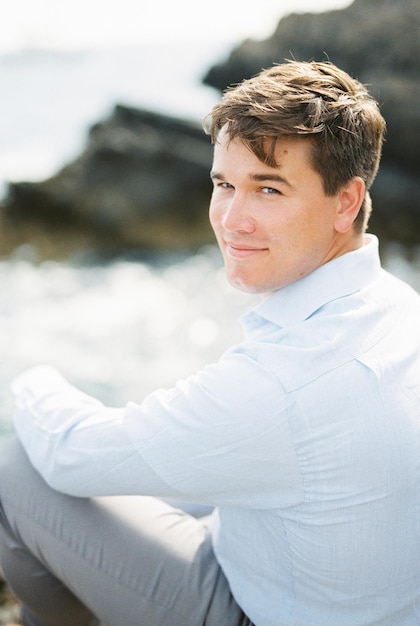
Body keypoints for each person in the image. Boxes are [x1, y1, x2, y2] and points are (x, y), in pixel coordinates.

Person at [0, 59, 419, 626]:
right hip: (332, 587)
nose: (231, 219)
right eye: (224, 184)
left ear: (346, 202)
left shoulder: (286, 381)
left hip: (264, 610)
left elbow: (72, 455)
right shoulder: (399, 311)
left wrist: (28, 381)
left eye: (268, 189)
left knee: (20, 464)